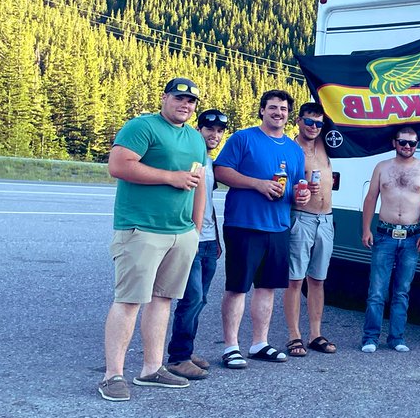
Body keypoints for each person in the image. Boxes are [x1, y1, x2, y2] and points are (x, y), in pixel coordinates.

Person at [98, 77, 207, 401]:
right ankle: (112, 375)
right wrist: (170, 177)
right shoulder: (142, 127)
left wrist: (194, 229)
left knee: (162, 300)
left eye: (191, 102)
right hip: (141, 230)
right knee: (129, 301)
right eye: (179, 98)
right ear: (164, 98)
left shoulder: (195, 139)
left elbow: (199, 183)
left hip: (180, 233)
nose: (185, 105)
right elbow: (118, 165)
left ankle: (151, 368)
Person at [214, 89, 308, 368]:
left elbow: (294, 186)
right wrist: (257, 183)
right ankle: (231, 346)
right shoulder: (243, 138)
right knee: (238, 287)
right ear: (262, 110)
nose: (279, 112)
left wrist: (299, 195)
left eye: (284, 109)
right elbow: (221, 171)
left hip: (278, 226)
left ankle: (259, 343)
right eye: (273, 107)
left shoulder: (294, 150)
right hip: (244, 223)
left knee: (267, 287)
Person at [360, 126, 420, 352]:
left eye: (412, 143)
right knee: (376, 290)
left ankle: (396, 338)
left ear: (417, 145)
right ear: (395, 143)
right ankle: (370, 338)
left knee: (402, 290)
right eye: (403, 142)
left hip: (412, 237)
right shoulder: (382, 167)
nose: (407, 146)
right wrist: (366, 229)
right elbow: (371, 198)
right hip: (384, 234)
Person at [165, 108, 228, 381]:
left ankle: (186, 351)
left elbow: (208, 203)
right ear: (198, 129)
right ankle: (177, 357)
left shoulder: (210, 161)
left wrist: (216, 238)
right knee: (190, 299)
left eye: (219, 131)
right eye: (208, 129)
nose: (214, 135)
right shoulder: (188, 155)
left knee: (200, 300)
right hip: (189, 236)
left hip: (208, 240)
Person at [283, 103, 337, 356]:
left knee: (317, 280)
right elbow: (281, 183)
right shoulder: (291, 148)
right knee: (295, 280)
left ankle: (316, 334)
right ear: (298, 121)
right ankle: (294, 335)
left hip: (325, 220)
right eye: (309, 122)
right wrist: (297, 192)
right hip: (301, 218)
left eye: (319, 123)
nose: (314, 127)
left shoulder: (327, 145)